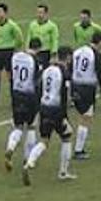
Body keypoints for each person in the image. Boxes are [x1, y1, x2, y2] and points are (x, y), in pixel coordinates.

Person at [23, 47, 77, 185]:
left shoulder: (46, 70)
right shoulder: (64, 73)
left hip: (44, 107)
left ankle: (29, 162)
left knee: (44, 140)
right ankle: (63, 172)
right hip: (56, 110)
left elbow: (39, 88)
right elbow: (64, 96)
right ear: (68, 58)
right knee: (67, 137)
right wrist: (64, 116)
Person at [3, 38, 42, 173]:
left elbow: (9, 73)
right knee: (31, 126)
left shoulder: (16, 56)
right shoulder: (35, 60)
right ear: (38, 49)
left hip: (16, 93)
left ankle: (11, 148)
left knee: (18, 126)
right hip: (29, 95)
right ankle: (27, 158)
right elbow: (37, 81)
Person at [70, 30, 101, 161]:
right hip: (87, 88)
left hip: (75, 85)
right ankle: (78, 150)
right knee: (86, 118)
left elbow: (71, 66)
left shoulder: (78, 51)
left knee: (81, 116)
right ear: (100, 42)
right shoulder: (96, 54)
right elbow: (99, 72)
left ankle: (79, 148)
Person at [0, 2, 25, 108]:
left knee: (10, 76)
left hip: (8, 51)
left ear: (5, 13)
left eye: (0, 11)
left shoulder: (12, 25)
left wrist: (15, 48)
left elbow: (19, 38)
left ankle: (14, 100)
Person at [26, 4, 60, 68]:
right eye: (38, 13)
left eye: (41, 13)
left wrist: (53, 55)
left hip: (46, 52)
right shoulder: (32, 25)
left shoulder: (52, 26)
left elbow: (54, 40)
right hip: (34, 52)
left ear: (46, 14)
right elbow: (29, 38)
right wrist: (27, 49)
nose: (39, 15)